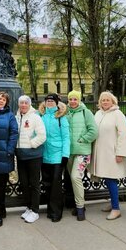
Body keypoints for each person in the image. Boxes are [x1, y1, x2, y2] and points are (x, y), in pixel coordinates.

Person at [90, 91, 126, 220]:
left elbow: (123, 134)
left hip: (112, 153)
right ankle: (113, 202)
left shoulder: (118, 114)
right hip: (100, 152)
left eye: (108, 100)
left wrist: (120, 153)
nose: (105, 102)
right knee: (106, 179)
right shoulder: (98, 114)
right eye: (103, 100)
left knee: (111, 179)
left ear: (113, 101)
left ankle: (116, 208)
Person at [66, 90, 98, 221]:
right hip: (69, 152)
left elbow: (94, 131)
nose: (72, 101)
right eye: (70, 99)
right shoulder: (65, 112)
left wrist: (83, 139)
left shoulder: (86, 112)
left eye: (75, 99)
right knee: (72, 179)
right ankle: (77, 204)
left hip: (82, 151)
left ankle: (80, 207)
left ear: (79, 100)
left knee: (75, 177)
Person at [0, 91, 18, 227]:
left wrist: (9, 149)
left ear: (6, 103)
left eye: (4, 100)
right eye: (0, 98)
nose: (1, 101)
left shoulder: (10, 115)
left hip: (4, 155)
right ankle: (1, 211)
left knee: (1, 187)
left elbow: (14, 133)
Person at [38, 93, 70, 222]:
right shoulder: (41, 116)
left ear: (56, 103)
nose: (50, 102)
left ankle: (56, 211)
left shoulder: (61, 117)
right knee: (47, 183)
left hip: (57, 154)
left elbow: (66, 137)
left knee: (56, 184)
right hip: (44, 154)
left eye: (52, 101)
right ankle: (50, 209)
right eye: (48, 101)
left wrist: (65, 155)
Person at [15, 95, 46, 223]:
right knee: (24, 183)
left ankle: (35, 210)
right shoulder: (17, 117)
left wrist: (31, 144)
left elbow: (42, 135)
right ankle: (29, 207)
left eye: (25, 103)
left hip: (33, 155)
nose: (23, 105)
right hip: (21, 155)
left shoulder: (35, 117)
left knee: (34, 183)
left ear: (29, 104)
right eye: (21, 103)